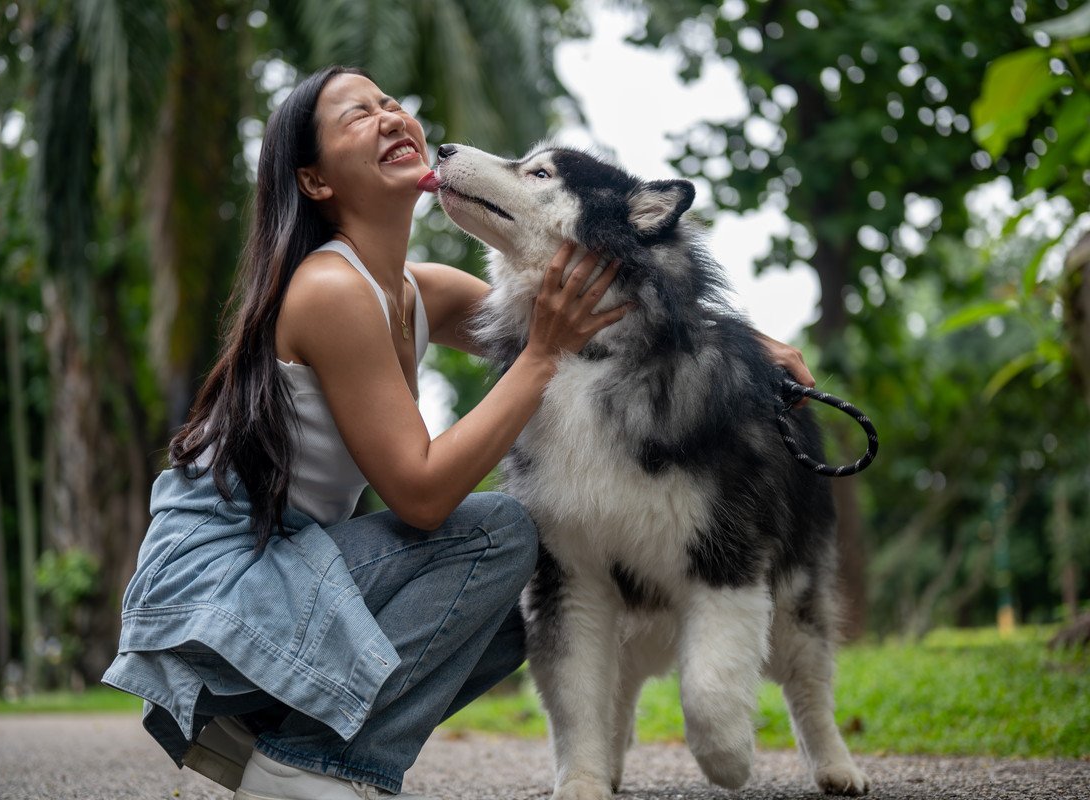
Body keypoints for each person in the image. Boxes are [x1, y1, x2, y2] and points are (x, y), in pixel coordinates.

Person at [102, 65, 815, 800]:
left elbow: (607, 315)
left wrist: (754, 346)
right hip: (221, 590)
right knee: (503, 532)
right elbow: (420, 495)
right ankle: (313, 761)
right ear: (316, 182)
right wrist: (537, 356)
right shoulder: (332, 289)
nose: (388, 116)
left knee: (526, 596)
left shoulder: (418, 289)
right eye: (356, 115)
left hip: (282, 578)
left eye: (388, 102)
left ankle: (279, 742)